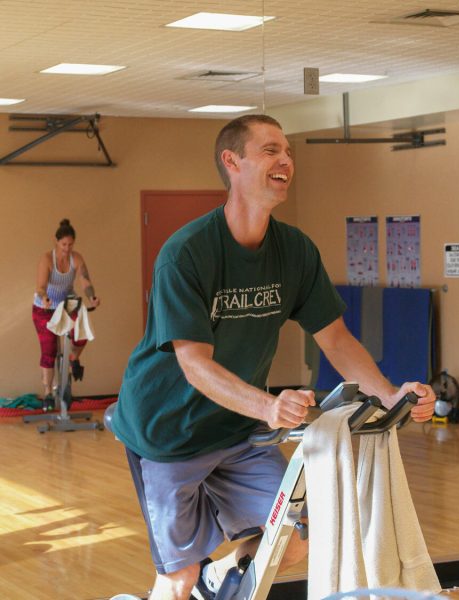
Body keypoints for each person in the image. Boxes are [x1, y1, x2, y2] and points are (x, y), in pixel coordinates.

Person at [111, 115, 435, 600]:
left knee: (293, 537)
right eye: (269, 150)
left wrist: (390, 396)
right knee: (177, 579)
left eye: (288, 152)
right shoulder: (186, 254)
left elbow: (337, 339)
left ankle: (218, 578)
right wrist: (267, 406)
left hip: (236, 431)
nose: (285, 160)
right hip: (167, 433)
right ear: (232, 162)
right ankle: (194, 580)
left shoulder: (295, 252)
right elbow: (193, 363)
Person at [32, 218, 100, 410]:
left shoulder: (76, 258)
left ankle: (73, 359)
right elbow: (41, 286)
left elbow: (85, 281)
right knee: (49, 349)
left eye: (70, 245)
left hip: (66, 303)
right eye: (63, 244)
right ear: (56, 241)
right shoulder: (47, 259)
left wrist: (92, 296)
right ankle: (48, 393)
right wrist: (45, 298)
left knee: (82, 331)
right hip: (44, 306)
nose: (67, 249)